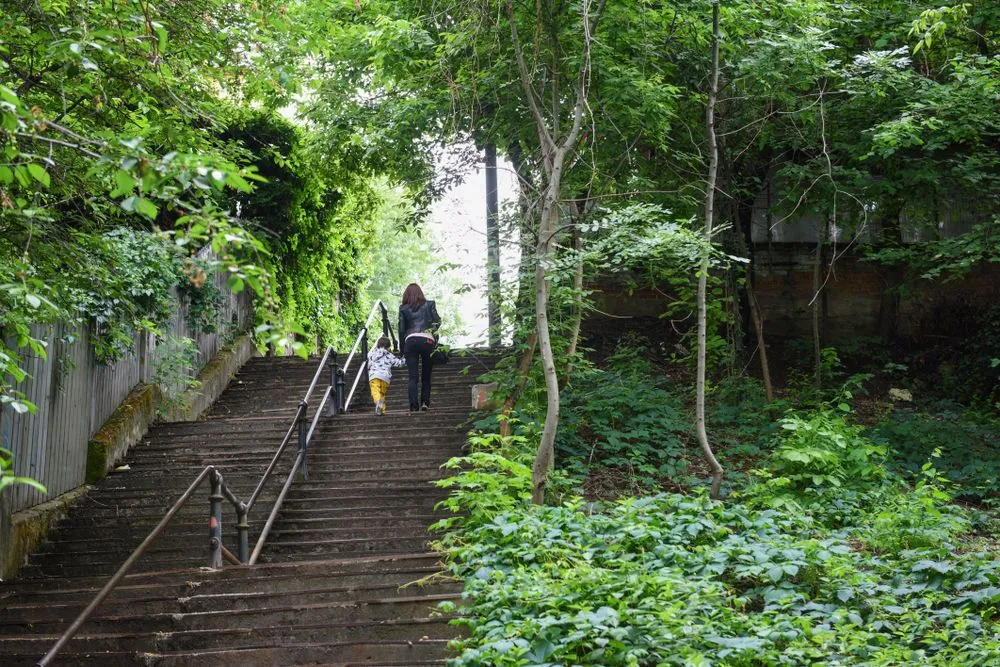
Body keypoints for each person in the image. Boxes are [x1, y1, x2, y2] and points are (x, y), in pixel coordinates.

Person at [398, 283, 441, 412]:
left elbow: (401, 330)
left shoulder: (403, 308)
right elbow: (437, 321)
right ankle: (425, 403)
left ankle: (413, 406)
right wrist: (431, 333)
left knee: (413, 377)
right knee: (426, 375)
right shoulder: (430, 304)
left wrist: (402, 350)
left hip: (410, 341)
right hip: (427, 340)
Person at [367, 336, 406, 415]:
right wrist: (406, 358)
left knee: (375, 392)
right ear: (388, 346)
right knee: (382, 393)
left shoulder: (371, 353)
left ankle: (378, 402)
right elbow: (399, 363)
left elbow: (368, 363)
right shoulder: (389, 355)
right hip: (385, 378)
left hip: (374, 376)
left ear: (378, 345)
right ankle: (382, 410)